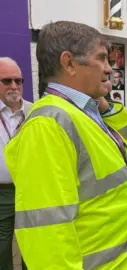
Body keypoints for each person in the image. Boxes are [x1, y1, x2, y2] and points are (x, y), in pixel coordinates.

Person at [4, 21, 127, 269]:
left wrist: (109, 108)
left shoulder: (86, 112)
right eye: (101, 59)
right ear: (68, 62)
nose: (109, 69)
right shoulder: (48, 125)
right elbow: (48, 235)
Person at [0, 57, 31, 270]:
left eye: (18, 81)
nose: (14, 86)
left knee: (33, 243)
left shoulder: (36, 111)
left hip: (32, 191)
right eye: (7, 81)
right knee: (1, 249)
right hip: (2, 194)